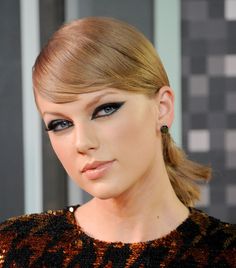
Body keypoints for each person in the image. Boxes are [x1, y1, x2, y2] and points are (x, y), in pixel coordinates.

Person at [0, 17, 235, 267]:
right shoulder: (14, 247)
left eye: (104, 109)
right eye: (61, 124)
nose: (82, 142)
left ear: (162, 108)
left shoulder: (226, 253)